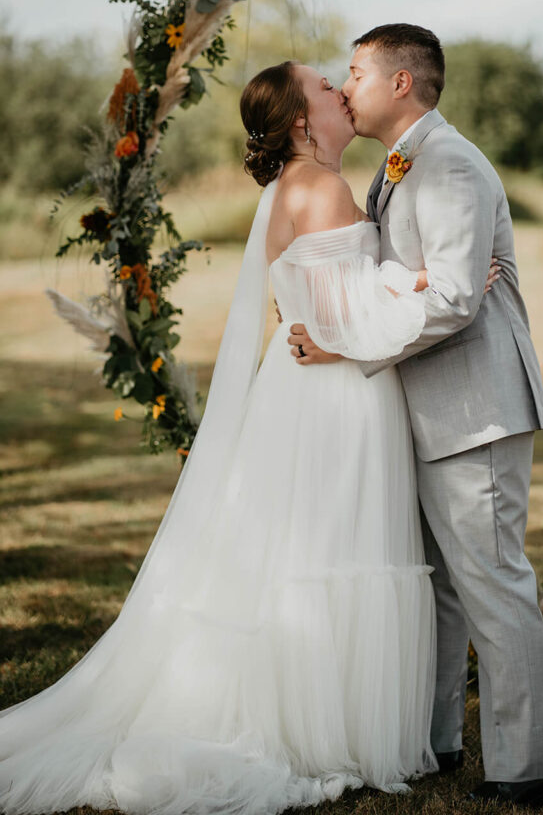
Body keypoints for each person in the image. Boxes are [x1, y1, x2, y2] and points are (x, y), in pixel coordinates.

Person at [0, 59, 497, 815]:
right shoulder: (320, 186)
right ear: (303, 120)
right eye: (328, 88)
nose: (340, 91)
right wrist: (436, 286)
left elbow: (334, 300)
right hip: (339, 397)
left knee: (304, 550)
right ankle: (324, 730)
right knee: (336, 549)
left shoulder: (289, 188)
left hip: (305, 391)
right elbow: (352, 318)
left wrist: (410, 285)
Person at [288, 25, 543, 808]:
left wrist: (342, 346)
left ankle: (524, 767)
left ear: (400, 82)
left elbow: (448, 300)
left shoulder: (447, 164)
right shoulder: (399, 163)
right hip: (427, 406)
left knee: (492, 583)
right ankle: (436, 741)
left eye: (355, 73)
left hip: (474, 406)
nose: (345, 88)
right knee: (440, 589)